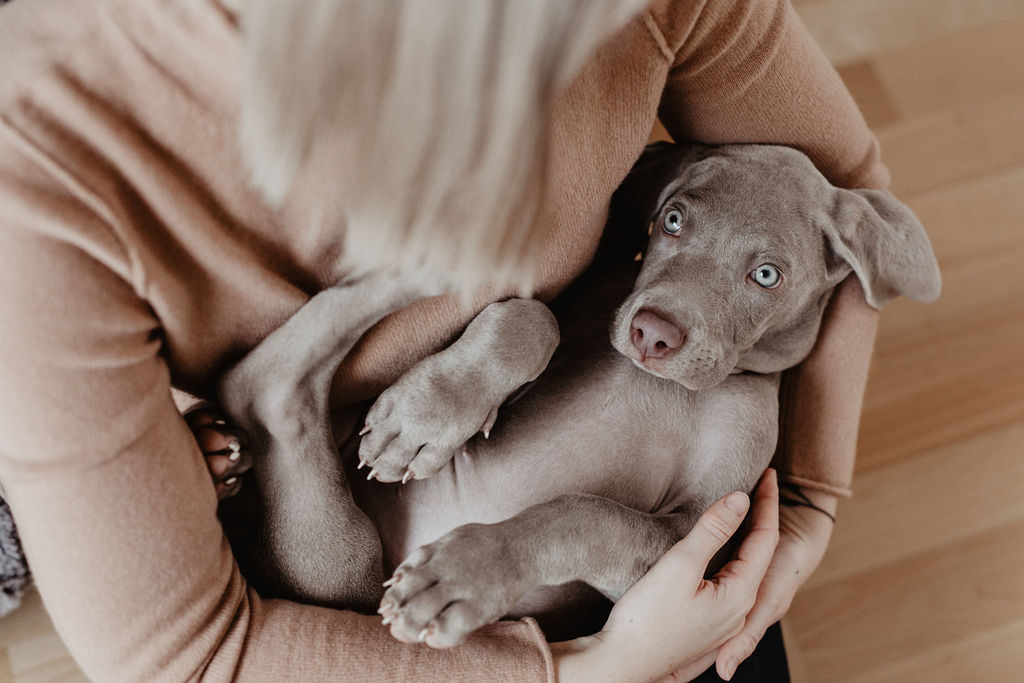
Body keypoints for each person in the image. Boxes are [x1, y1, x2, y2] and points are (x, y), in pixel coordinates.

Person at [0, 0, 888, 680]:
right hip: (295, 603)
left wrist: (811, 494)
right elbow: (192, 654)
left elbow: (842, 189)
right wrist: (587, 670)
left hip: (565, 498)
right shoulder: (37, 169)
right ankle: (285, 409)